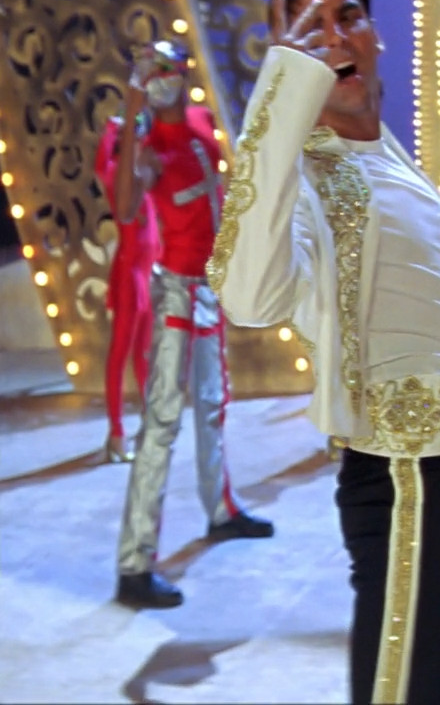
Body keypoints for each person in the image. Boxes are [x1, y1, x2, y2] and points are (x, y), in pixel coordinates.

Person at [215, 0, 440, 703]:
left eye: (348, 16)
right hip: (406, 474)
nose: (336, 37)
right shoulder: (307, 174)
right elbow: (248, 296)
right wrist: (281, 95)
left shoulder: (387, 156)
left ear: (375, 34)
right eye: (311, 29)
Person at [111, 39, 274, 611]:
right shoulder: (149, 150)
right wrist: (133, 112)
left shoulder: (203, 123)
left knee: (211, 402)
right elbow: (126, 207)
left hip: (209, 289)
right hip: (176, 294)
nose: (158, 78)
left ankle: (221, 509)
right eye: (148, 72)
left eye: (164, 68)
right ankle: (134, 564)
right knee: (160, 423)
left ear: (182, 72)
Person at [94, 103, 161, 464]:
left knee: (144, 353)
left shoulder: (144, 170)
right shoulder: (117, 173)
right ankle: (116, 435)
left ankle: (149, 423)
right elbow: (99, 165)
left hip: (149, 272)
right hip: (130, 275)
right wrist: (111, 127)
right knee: (120, 353)